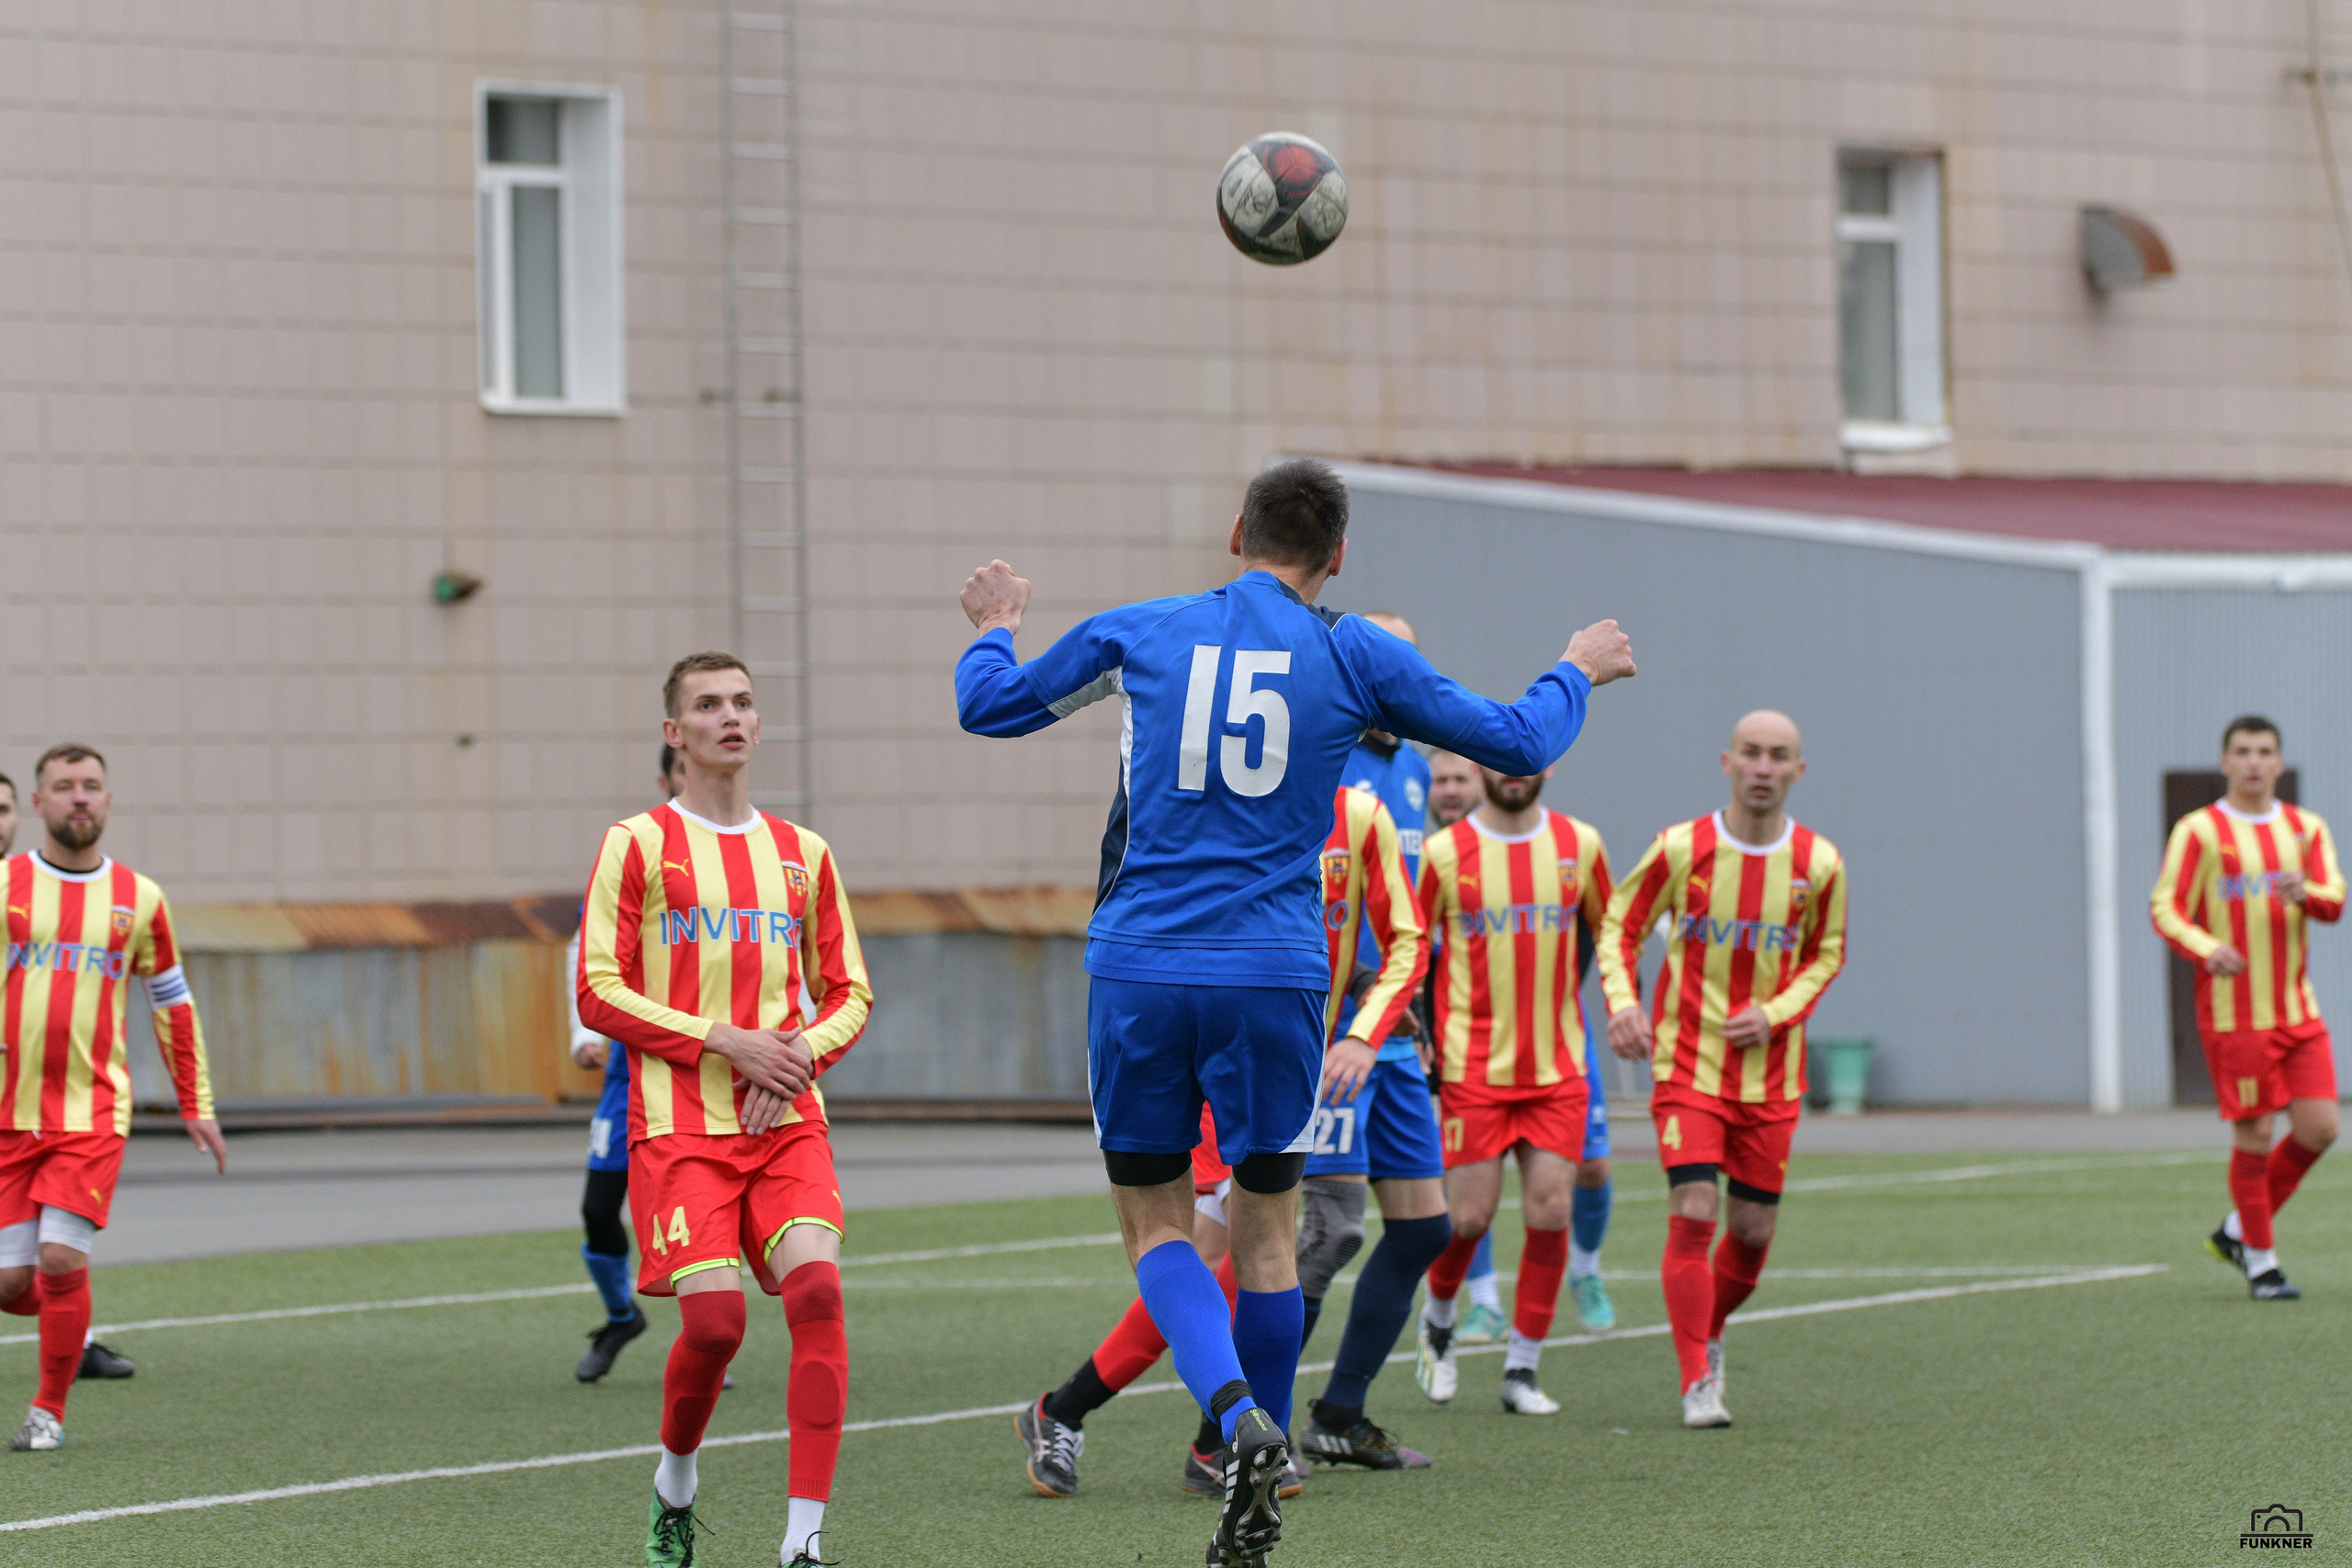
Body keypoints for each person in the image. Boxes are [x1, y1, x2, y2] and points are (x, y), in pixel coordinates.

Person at [956, 457, 1634, 1568]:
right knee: (1270, 1233)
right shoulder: (1353, 650)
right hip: (1275, 977)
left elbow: (989, 708)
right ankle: (1252, 1479)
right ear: (1339, 557)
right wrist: (1576, 667)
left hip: (1142, 966)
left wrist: (996, 627)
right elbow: (1518, 742)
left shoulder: (1144, 628)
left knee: (1159, 1228)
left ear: (1236, 533)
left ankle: (1233, 1418)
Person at [1018, 784, 1436, 1496]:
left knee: (1315, 1237)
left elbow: (1378, 932)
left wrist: (1364, 1008)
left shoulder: (1359, 811)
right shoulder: (1216, 786)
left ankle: (1228, 1434)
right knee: (1220, 1254)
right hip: (1210, 1042)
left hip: (1293, 1054)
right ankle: (1082, 1413)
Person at [577, 654, 874, 1568]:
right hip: (678, 1128)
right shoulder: (636, 843)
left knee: (817, 1293)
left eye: (743, 701)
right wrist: (725, 1041)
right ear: (676, 732)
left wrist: (796, 1057)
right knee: (715, 1329)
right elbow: (597, 990)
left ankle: (803, 1542)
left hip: (787, 1123)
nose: (730, 716)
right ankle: (675, 1479)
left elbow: (850, 991)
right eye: (708, 705)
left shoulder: (803, 853)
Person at [1600, 711, 1848, 1429]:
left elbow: (1826, 954)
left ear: (1798, 770)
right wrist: (1623, 1001)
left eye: (1779, 756)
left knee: (1753, 1232)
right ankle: (1697, 1379)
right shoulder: (1681, 847)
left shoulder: (1819, 863)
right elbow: (1619, 926)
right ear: (1727, 762)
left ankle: (1708, 1327)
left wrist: (1776, 1012)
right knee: (1694, 1208)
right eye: (1752, 753)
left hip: (1771, 1077)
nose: (1764, 767)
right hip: (1689, 1065)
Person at [1, 745, 227, 1452]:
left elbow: (172, 1001)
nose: (80, 797)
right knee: (11, 1281)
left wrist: (196, 1100)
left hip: (92, 1111)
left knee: (60, 1258)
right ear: (38, 802)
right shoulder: (5, 883)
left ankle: (47, 1411)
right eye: (64, 785)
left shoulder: (141, 896)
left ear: (107, 799)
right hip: (8, 1113)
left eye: (91, 785)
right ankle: (74, 1316)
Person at [1410, 765, 1612, 1416]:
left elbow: (1612, 934)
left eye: (1527, 760)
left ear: (1549, 765)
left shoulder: (1580, 844)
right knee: (1468, 1218)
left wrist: (1624, 1005)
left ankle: (1522, 1368)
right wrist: (1416, 1032)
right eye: (1499, 759)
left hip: (1557, 1070)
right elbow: (1408, 948)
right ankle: (1439, 1320)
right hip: (1474, 1068)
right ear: (1480, 766)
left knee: (1551, 1209)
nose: (1514, 772)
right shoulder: (1444, 853)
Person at [2150, 715, 2343, 1301]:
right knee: (2256, 1134)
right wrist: (2207, 948)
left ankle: (2237, 1231)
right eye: (2243, 752)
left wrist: (2307, 893)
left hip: (2298, 1011)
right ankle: (2262, 1264)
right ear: (2225, 762)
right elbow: (2166, 906)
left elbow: (2335, 898)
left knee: (2320, 1129)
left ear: (2280, 763)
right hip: (2235, 1014)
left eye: (2264, 752)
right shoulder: (2199, 831)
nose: (2254, 762)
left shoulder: (2305, 829)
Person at [568, 743, 693, 1382]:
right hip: (629, 1073)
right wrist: (581, 1033)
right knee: (599, 1208)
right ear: (666, 778)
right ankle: (622, 1315)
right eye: (684, 768)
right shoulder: (638, 848)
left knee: (692, 1210)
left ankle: (705, 1340)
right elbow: (584, 948)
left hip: (696, 1071)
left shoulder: (749, 854)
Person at [1419, 752, 1509, 1344]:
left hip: (1537, 1039)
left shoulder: (1533, 849)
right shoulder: (1428, 856)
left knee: (1591, 1168)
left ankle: (1584, 1271)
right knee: (1461, 1181)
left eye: (1460, 779)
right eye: (1440, 781)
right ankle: (1480, 1299)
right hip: (1450, 1043)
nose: (1450, 791)